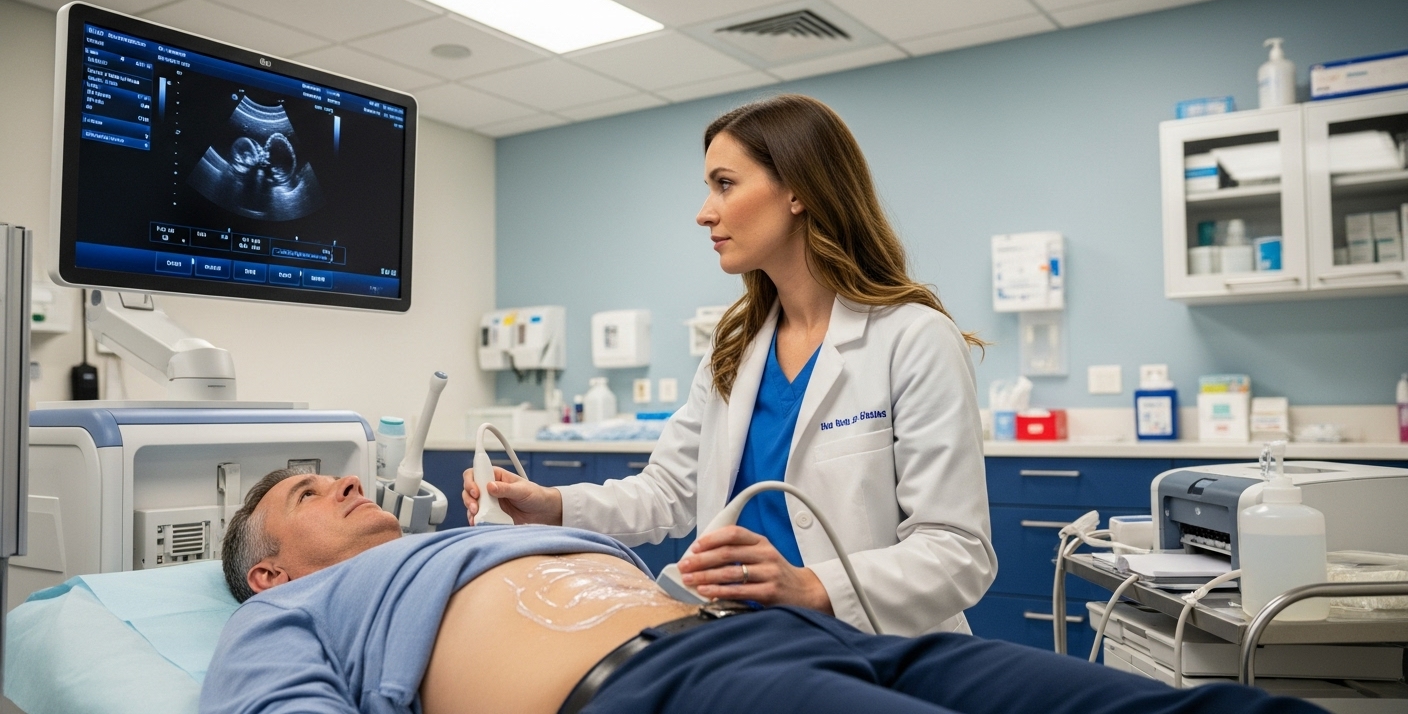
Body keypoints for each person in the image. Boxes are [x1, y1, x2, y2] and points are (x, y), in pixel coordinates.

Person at [463, 94, 995, 637]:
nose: (704, 212)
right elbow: (668, 492)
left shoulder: (913, 338)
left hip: (877, 648)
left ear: (797, 191)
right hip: (742, 638)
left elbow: (958, 551)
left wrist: (812, 587)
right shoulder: (735, 345)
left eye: (725, 183)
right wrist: (551, 506)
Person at [205, 468, 1324, 714]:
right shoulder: (285, 614)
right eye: (310, 488)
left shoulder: (473, 544)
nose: (347, 478)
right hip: (651, 689)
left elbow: (658, 509)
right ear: (267, 567)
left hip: (795, 633)